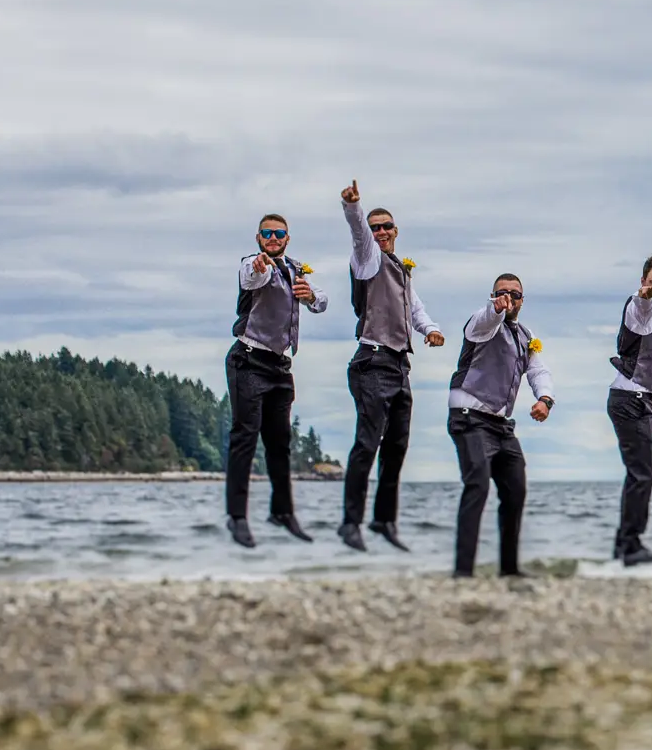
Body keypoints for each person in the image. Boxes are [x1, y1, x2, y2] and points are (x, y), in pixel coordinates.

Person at [337, 180, 444, 553]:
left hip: (399, 366)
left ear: (396, 231)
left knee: (397, 446)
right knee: (367, 443)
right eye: (375, 226)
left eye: (386, 226)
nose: (380, 232)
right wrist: (353, 208)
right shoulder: (367, 259)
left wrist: (430, 330)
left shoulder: (401, 268)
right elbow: (358, 235)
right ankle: (350, 523)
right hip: (372, 361)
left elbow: (414, 309)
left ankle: (384, 520)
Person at [225, 213, 328, 548]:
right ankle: (237, 517)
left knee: (280, 444)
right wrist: (260, 267)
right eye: (266, 233)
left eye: (278, 233)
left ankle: (283, 512)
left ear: (287, 237)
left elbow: (322, 301)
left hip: (280, 368)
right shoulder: (252, 265)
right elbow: (252, 278)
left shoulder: (298, 269)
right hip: (249, 360)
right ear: (258, 238)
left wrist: (311, 296)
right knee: (245, 437)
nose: (272, 237)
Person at [447, 274, 554, 578]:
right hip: (469, 417)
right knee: (478, 484)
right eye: (502, 293)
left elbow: (537, 371)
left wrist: (545, 399)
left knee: (516, 489)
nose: (509, 298)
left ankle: (509, 569)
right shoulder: (482, 324)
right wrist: (495, 309)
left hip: (500, 425)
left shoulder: (525, 337)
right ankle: (463, 572)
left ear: (523, 301)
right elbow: (484, 322)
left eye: (515, 295)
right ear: (493, 295)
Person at [607, 256, 652, 568]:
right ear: (643, 281)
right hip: (630, 398)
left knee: (638, 473)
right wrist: (644, 298)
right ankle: (631, 545)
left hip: (639, 399)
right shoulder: (640, 305)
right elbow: (639, 317)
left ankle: (623, 546)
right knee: (641, 473)